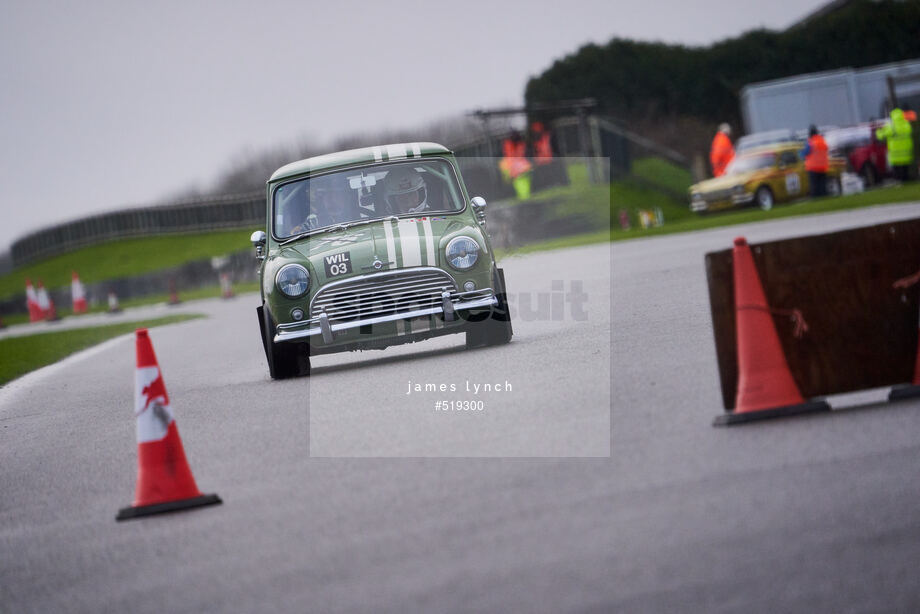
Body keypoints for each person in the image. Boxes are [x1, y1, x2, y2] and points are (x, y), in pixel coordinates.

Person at [290, 175, 355, 233]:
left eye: (336, 194)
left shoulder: (358, 216)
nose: (331, 199)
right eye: (326, 195)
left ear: (346, 197)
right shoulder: (314, 221)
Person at [876, 108, 915, 182]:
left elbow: (881, 136)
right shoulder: (907, 124)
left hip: (896, 153)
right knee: (905, 168)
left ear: (892, 116)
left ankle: (899, 180)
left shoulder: (891, 126)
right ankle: (906, 179)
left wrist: (878, 130)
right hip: (906, 152)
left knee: (897, 169)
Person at [499, 130, 532, 199]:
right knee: (520, 183)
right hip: (516, 168)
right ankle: (524, 196)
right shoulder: (510, 145)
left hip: (520, 168)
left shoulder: (520, 144)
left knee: (522, 183)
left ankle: (524, 196)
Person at [801, 124, 829, 197]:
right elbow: (826, 149)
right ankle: (824, 196)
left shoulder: (811, 142)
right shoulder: (822, 140)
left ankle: (816, 197)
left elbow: (805, 153)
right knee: (823, 184)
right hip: (823, 167)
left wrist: (801, 153)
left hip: (813, 167)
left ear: (810, 133)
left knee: (814, 185)